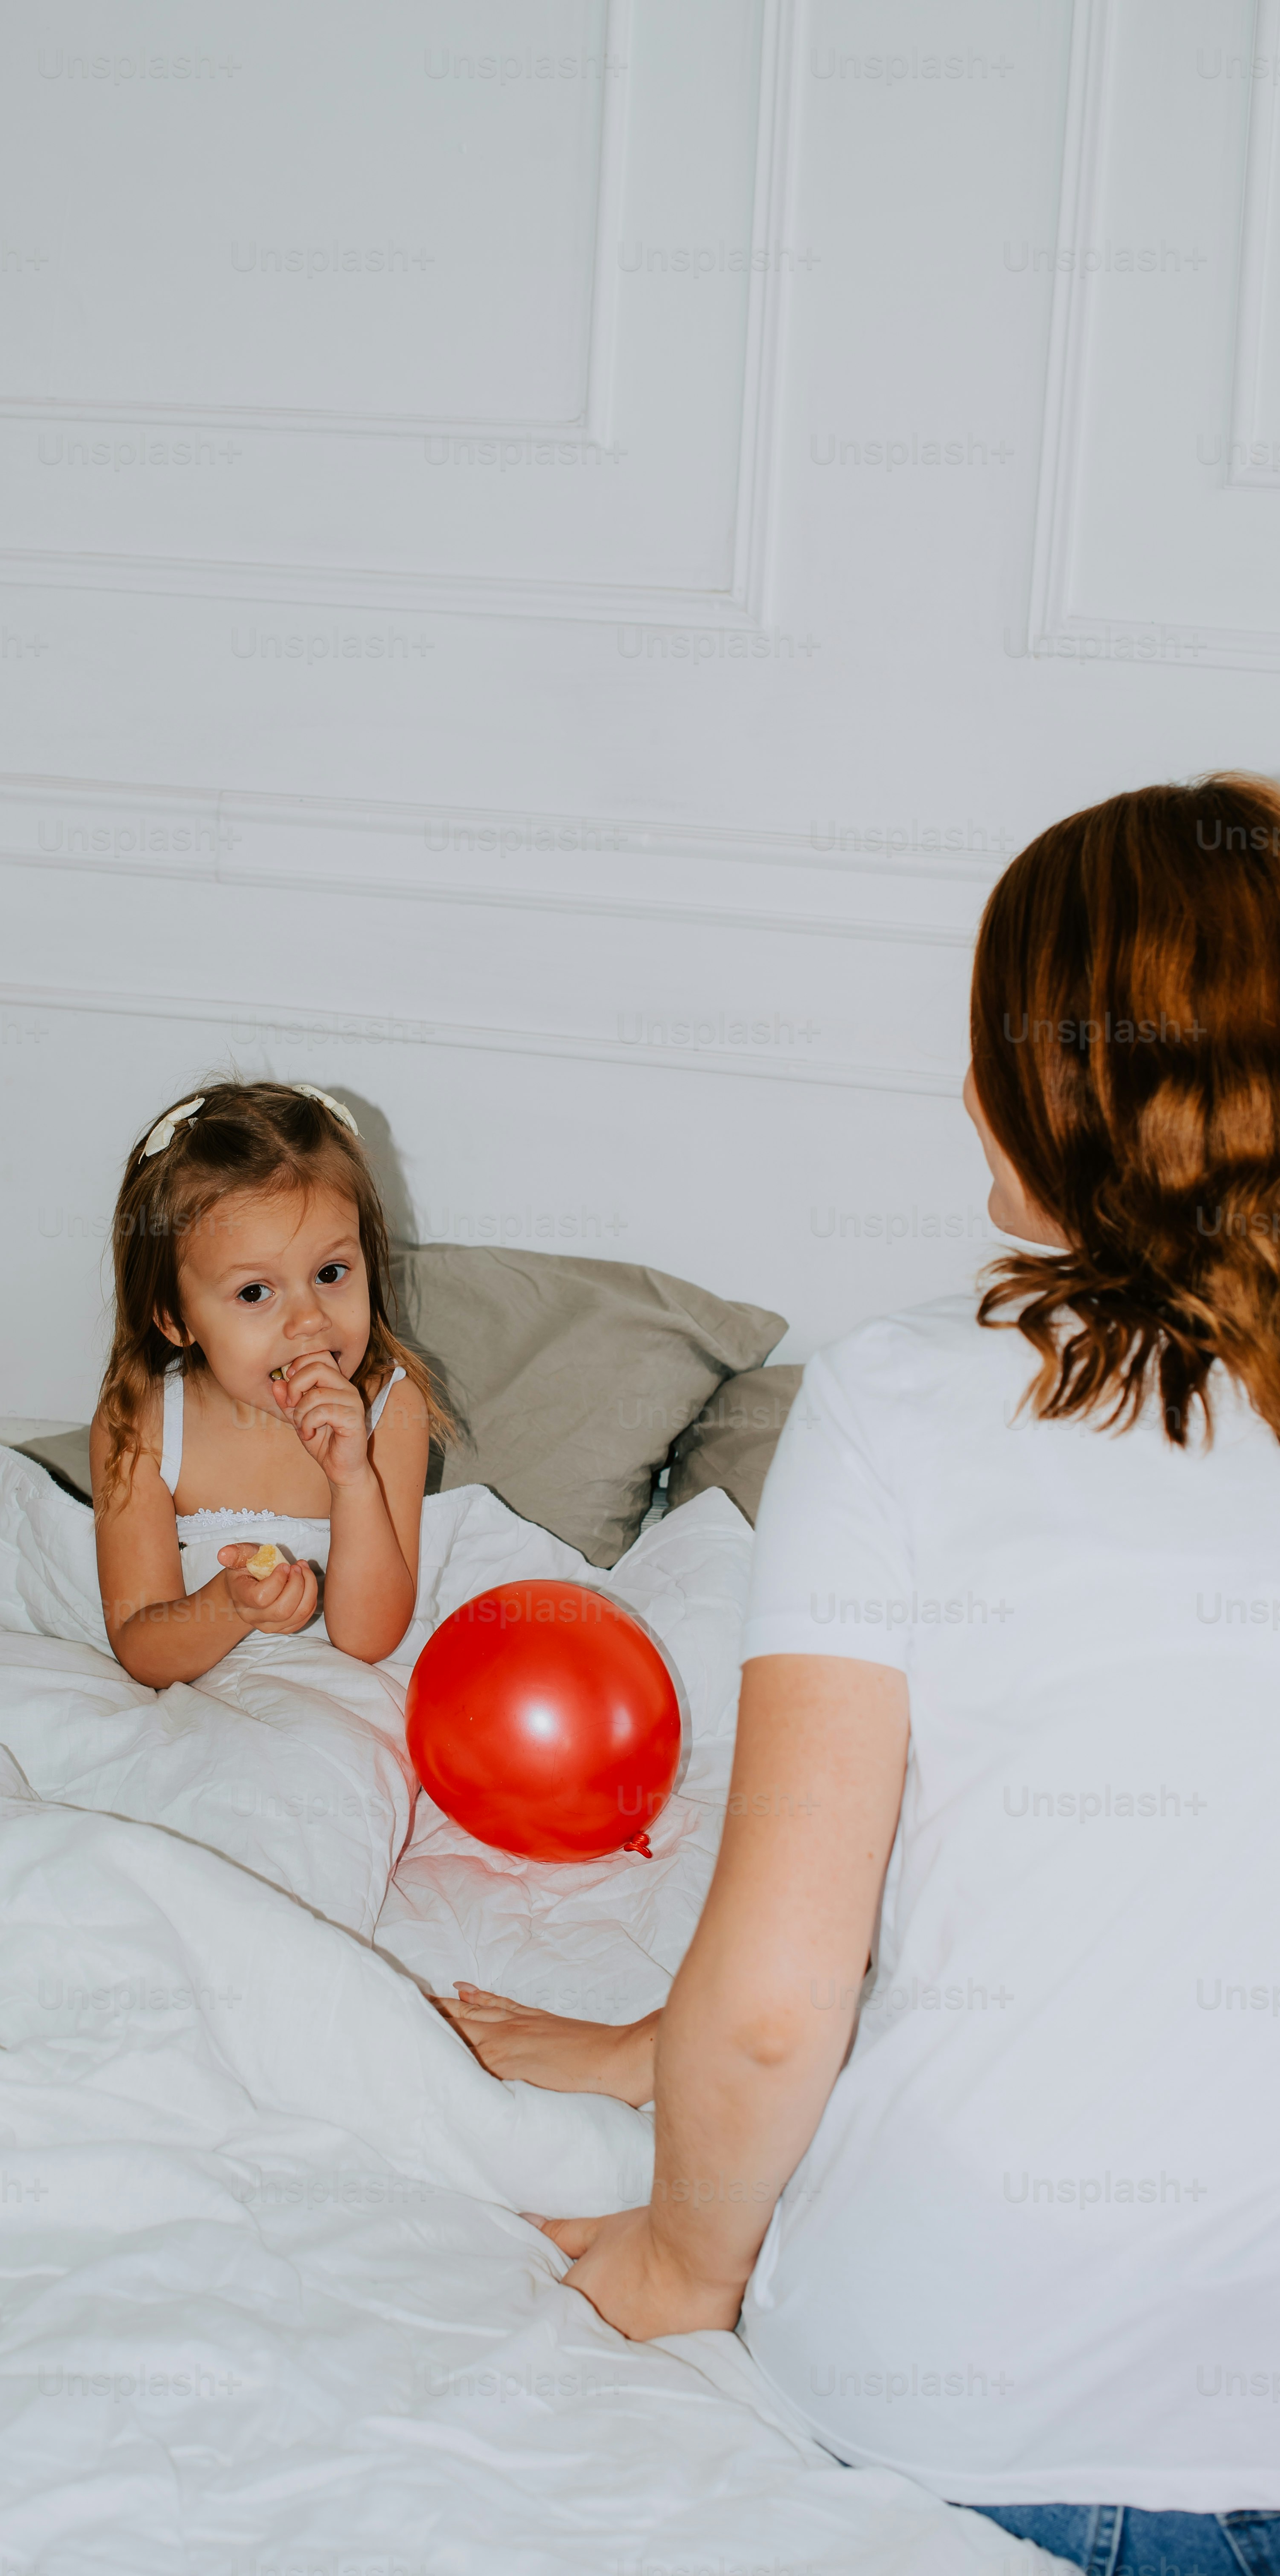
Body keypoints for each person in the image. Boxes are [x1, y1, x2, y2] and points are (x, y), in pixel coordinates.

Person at [441, 777, 1280, 2575]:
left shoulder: (910, 1399)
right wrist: (640, 2046)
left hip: (972, 2417)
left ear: (1051, 1085)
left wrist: (677, 2263)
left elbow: (778, 1989)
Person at [91, 1079, 442, 1684]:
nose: (309, 1320)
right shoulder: (141, 1424)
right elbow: (143, 1652)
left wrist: (352, 1478)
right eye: (255, 1292)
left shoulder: (390, 1410)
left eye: (332, 1272)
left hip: (341, 1688)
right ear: (176, 1319)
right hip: (198, 1693)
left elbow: (369, 1639)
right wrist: (229, 1605)